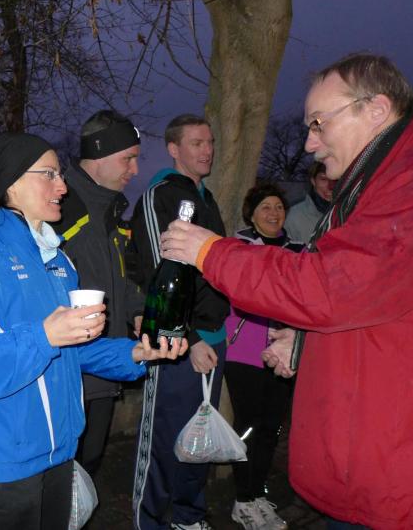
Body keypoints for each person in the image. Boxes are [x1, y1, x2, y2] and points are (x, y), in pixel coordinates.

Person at [160, 53, 413, 529]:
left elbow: (333, 285)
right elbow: (384, 301)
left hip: (407, 472)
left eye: (319, 123)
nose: (310, 142)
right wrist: (306, 339)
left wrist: (212, 253)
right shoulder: (383, 184)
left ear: (375, 110)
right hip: (383, 457)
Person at [0, 132, 186, 529]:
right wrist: (42, 336)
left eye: (60, 175)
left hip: (60, 452)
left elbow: (71, 350)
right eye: (49, 174)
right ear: (11, 183)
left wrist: (134, 353)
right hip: (3, 460)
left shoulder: (60, 261)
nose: (62, 186)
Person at [130, 114, 230, 530]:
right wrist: (189, 338)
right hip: (177, 343)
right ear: (174, 149)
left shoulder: (206, 198)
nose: (207, 150)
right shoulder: (161, 196)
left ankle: (189, 518)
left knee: (197, 440)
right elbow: (161, 275)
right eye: (196, 143)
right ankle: (149, 521)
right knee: (164, 440)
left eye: (210, 142)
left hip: (213, 337)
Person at [51, 109, 145, 477]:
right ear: (100, 154)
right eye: (128, 159)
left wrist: (137, 310)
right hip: (68, 368)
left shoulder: (109, 209)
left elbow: (119, 277)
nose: (134, 170)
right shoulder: (60, 207)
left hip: (106, 362)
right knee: (62, 472)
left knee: (88, 466)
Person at [225, 183, 303, 530]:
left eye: (279, 207)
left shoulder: (298, 250)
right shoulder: (238, 247)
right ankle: (242, 499)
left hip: (285, 352)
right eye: (266, 207)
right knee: (247, 426)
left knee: (272, 426)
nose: (274, 213)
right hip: (244, 350)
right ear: (252, 214)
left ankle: (257, 493)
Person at [284, 161, 334, 243]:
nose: (330, 186)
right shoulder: (293, 216)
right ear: (313, 181)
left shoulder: (351, 215)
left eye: (336, 180)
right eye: (323, 179)